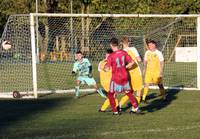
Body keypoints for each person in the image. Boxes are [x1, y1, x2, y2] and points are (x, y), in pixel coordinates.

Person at [104, 37, 142, 115]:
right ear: (118, 44)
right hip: (125, 76)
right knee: (128, 93)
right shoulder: (124, 53)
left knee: (110, 94)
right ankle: (136, 108)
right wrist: (125, 67)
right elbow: (132, 63)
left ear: (111, 45)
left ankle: (115, 111)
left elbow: (107, 69)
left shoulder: (111, 56)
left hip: (116, 78)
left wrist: (105, 68)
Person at [119, 36, 143, 110]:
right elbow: (139, 60)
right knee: (138, 91)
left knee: (130, 91)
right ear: (128, 42)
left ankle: (119, 105)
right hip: (136, 73)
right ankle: (134, 109)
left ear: (122, 43)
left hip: (127, 74)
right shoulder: (132, 49)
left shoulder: (120, 52)